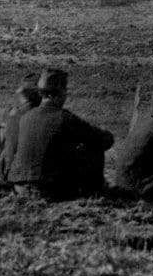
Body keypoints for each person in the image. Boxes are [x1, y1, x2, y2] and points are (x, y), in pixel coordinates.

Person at [8, 69, 114, 200]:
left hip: (20, 189)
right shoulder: (65, 118)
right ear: (59, 93)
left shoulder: (26, 117)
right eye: (65, 90)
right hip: (50, 190)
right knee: (94, 147)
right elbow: (104, 140)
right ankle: (94, 192)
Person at [0, 74, 41, 184]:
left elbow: (2, 143)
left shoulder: (10, 114)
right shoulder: (46, 117)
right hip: (36, 176)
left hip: (8, 174)